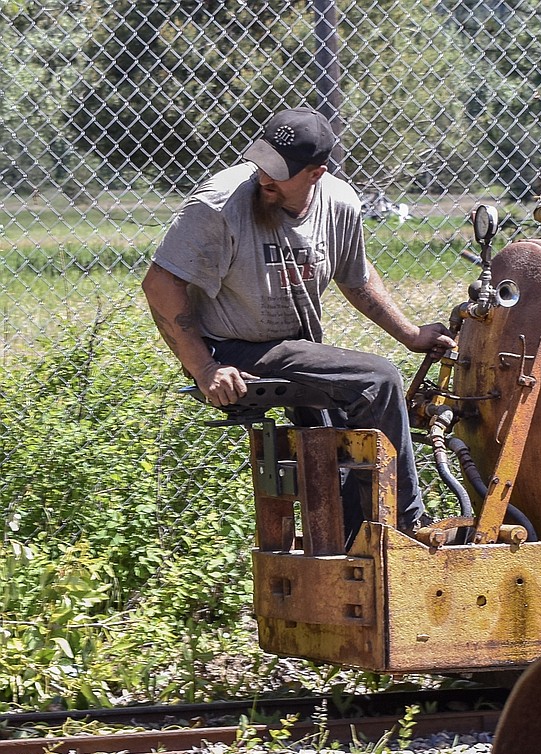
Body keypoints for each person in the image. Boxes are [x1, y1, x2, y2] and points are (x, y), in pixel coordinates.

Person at [142, 106, 455, 538]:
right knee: (378, 379)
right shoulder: (219, 203)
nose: (264, 178)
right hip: (230, 348)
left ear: (315, 173)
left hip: (292, 344)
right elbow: (160, 284)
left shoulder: (339, 202)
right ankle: (404, 525)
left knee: (339, 432)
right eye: (262, 163)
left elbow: (357, 277)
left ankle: (355, 539)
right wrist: (205, 369)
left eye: (279, 172)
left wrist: (412, 335)